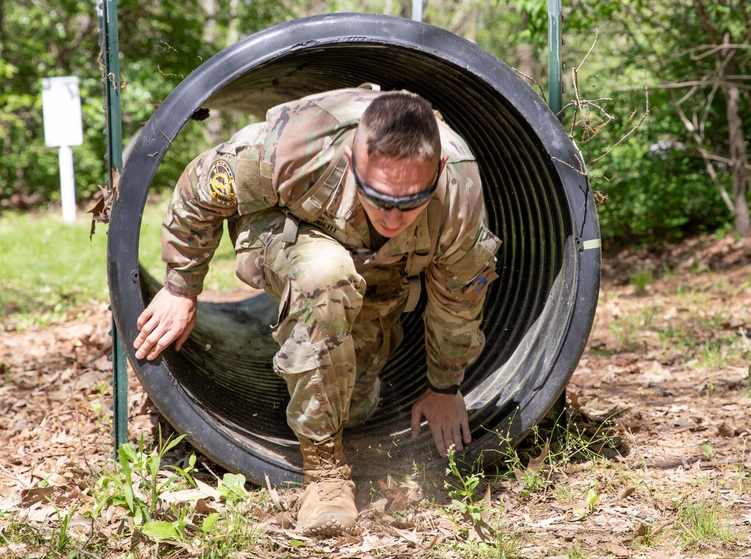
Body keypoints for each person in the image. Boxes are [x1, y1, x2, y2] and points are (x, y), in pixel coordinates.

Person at [132, 87, 501, 537]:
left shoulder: (458, 186)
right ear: (351, 160)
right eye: (378, 196)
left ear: (438, 170)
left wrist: (445, 384)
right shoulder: (298, 146)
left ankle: (332, 389)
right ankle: (325, 475)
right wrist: (180, 286)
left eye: (409, 202)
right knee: (325, 275)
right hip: (286, 231)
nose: (392, 215)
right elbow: (201, 185)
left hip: (379, 266)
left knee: (357, 405)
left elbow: (459, 292)